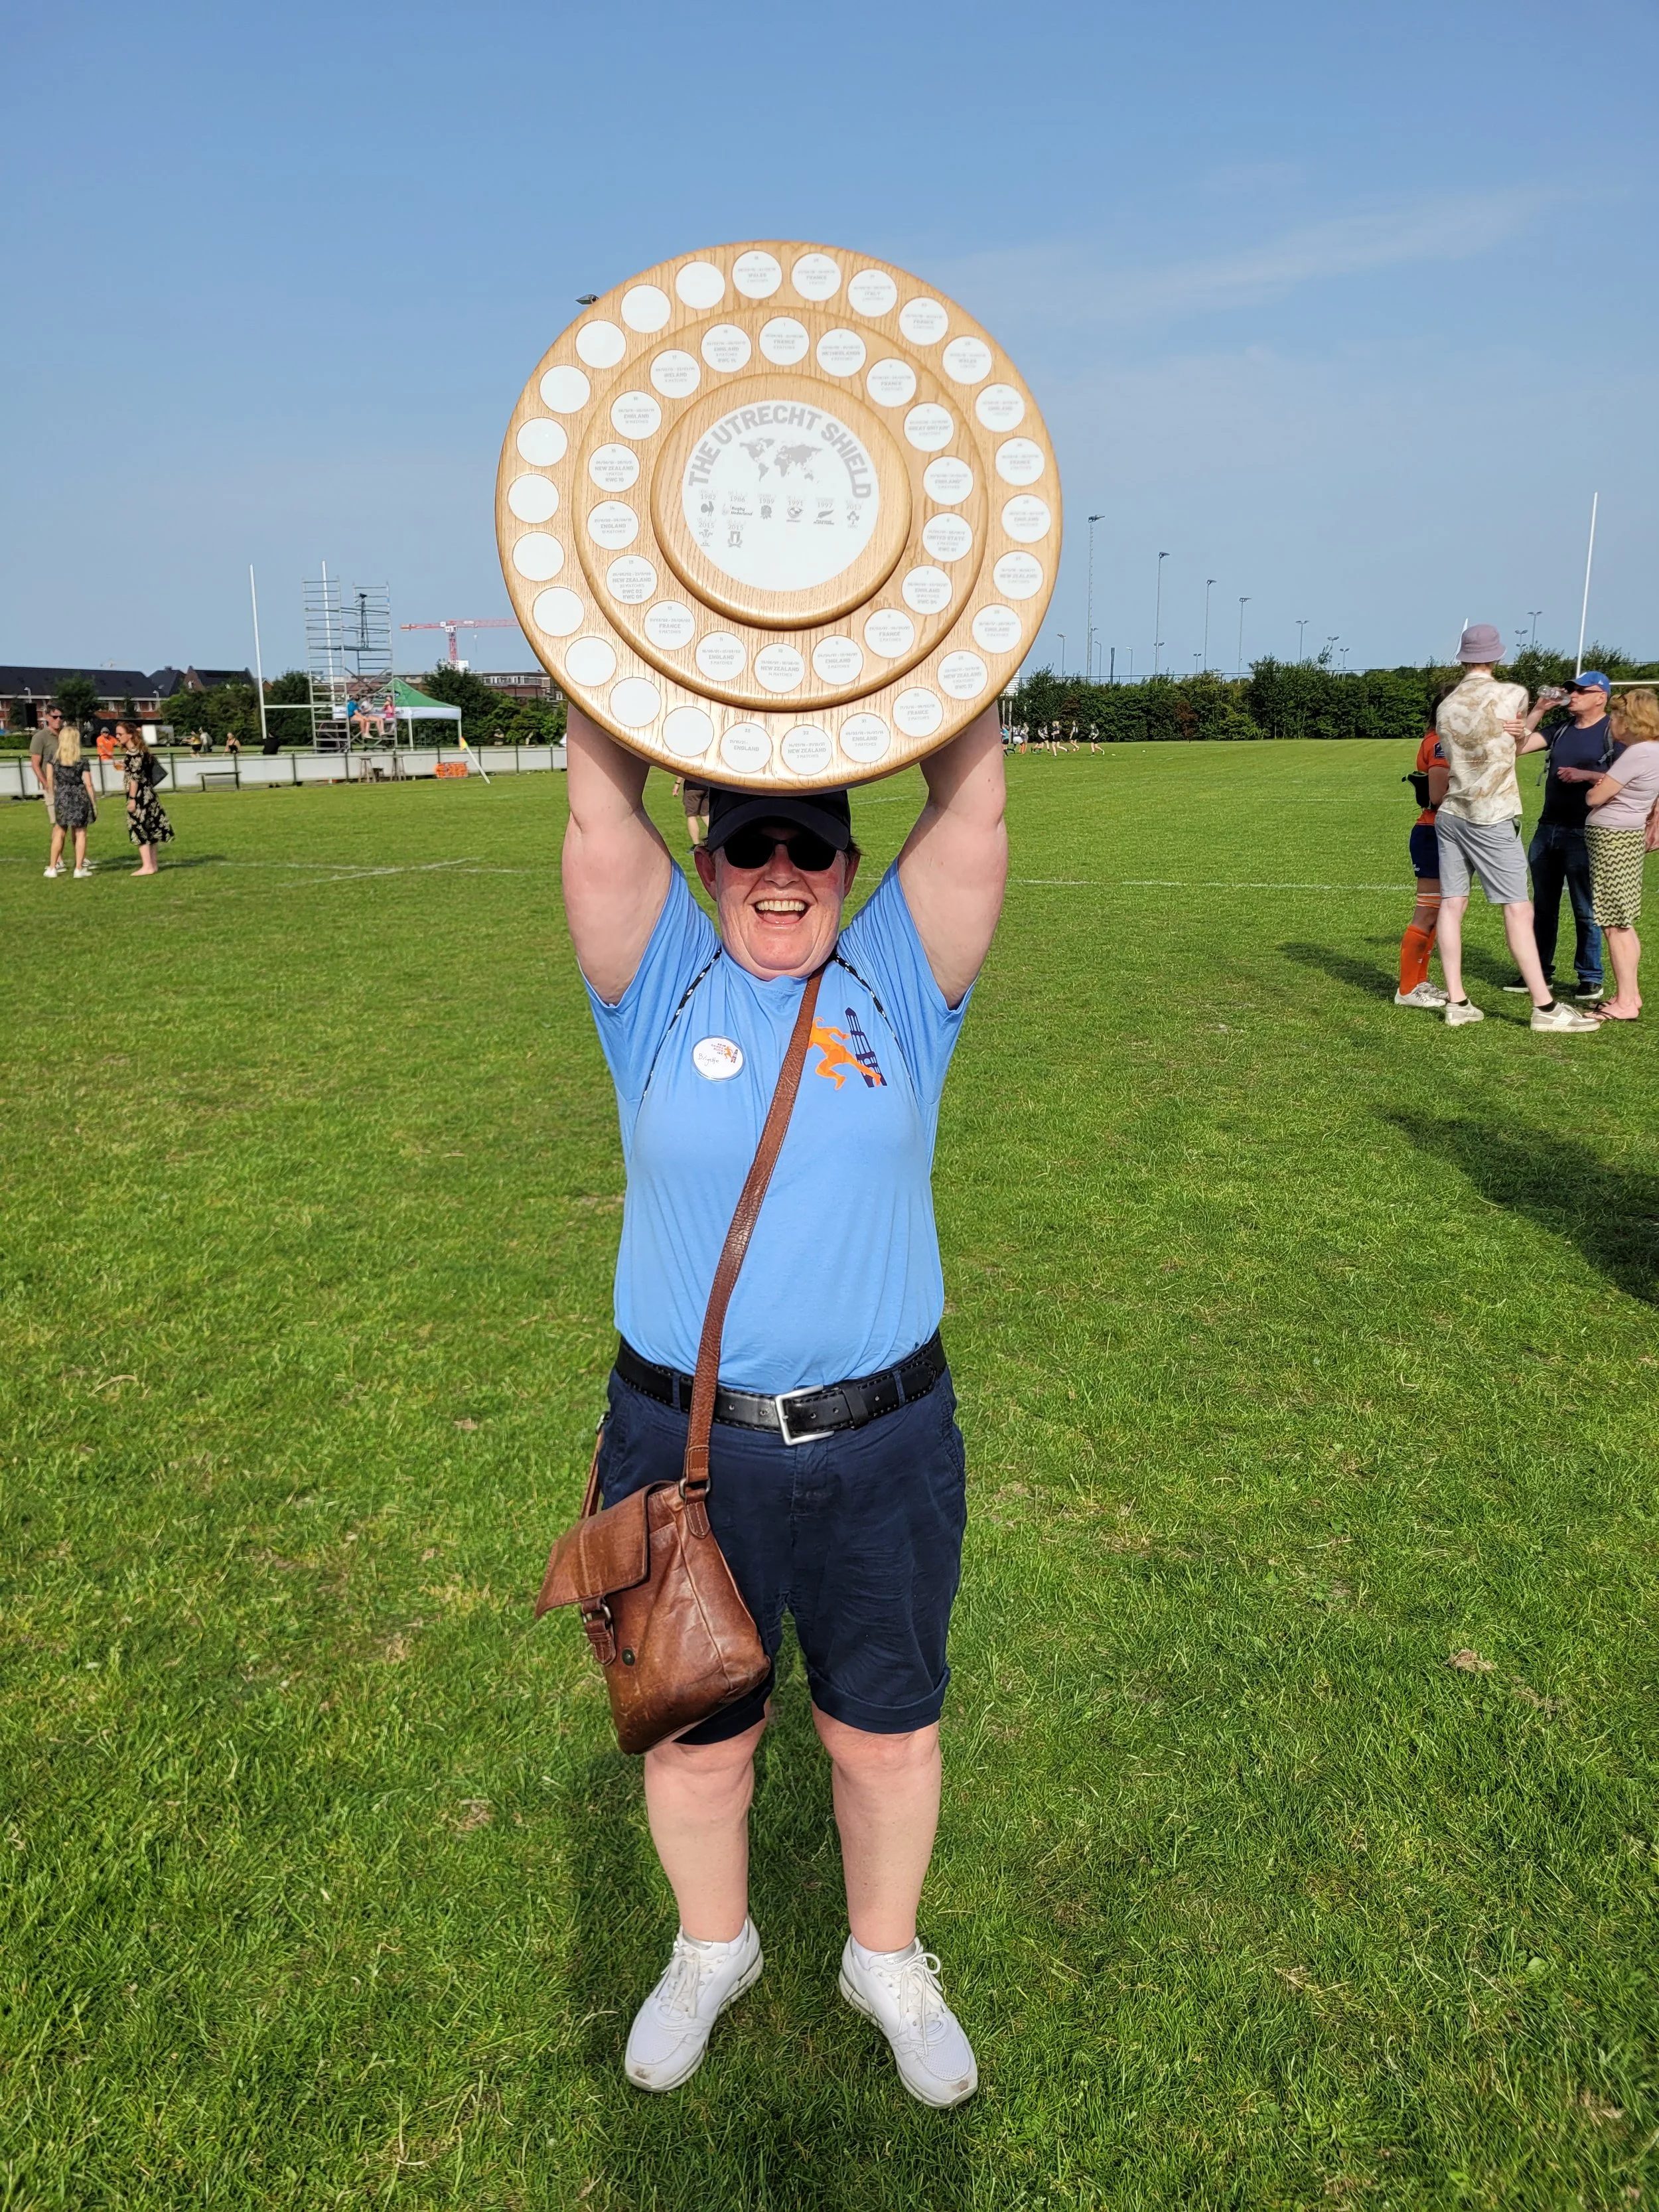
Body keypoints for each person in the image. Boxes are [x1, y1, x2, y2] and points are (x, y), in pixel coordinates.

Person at [563, 700, 1006, 2108]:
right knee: (699, 1734)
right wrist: (615, 649)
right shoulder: (659, 986)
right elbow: (594, 806)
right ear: (703, 859)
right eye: (748, 842)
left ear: (845, 864)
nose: (778, 870)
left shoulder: (893, 980)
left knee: (884, 1729)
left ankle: (883, 1956)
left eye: (808, 850)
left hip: (884, 1442)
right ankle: (713, 1946)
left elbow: (975, 806)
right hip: (687, 1451)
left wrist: (953, 654)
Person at [1431, 625, 1599, 1033]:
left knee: (1452, 905)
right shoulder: (1513, 695)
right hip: (1490, 814)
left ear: (1463, 657)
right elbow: (1512, 746)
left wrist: (1526, 725)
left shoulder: (1447, 704)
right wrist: (1532, 715)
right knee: (1519, 909)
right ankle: (1545, 1008)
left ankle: (1457, 1001)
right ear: (1497, 656)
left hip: (1452, 812)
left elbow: (1504, 744)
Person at [1497, 672, 1620, 1001]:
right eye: (1571, 689)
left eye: (1581, 690)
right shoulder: (1561, 729)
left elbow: (1631, 776)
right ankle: (1538, 973)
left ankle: (1590, 977)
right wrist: (1538, 709)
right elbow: (1517, 748)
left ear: (1601, 697)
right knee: (1543, 907)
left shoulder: (1615, 732)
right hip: (1548, 828)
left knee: (1586, 908)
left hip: (1587, 830)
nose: (1573, 694)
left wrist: (1588, 775)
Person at [1567, 687, 1659, 1022]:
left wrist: (1595, 786)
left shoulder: (1637, 753)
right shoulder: (1654, 751)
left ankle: (1624, 1001)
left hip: (1613, 837)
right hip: (1629, 834)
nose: (1612, 724)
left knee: (1614, 923)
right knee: (1624, 921)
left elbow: (1595, 798)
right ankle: (1630, 996)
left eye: (1617, 717)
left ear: (1631, 721)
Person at [1394, 715, 1449, 1007]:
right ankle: (1406, 989)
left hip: (1441, 833)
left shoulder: (1443, 740)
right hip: (1433, 833)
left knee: (1438, 912)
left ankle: (1419, 981)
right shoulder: (1440, 743)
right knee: (1427, 911)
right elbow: (1438, 794)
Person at [119, 721, 173, 875]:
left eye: (120, 734)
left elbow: (135, 779)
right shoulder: (142, 752)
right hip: (149, 796)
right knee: (151, 828)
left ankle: (147, 866)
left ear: (129, 735)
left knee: (139, 829)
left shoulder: (133, 754)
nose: (117, 737)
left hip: (140, 797)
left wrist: (132, 799)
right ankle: (153, 865)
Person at [44, 725, 98, 878]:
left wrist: (55, 796)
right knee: (80, 832)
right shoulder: (82, 760)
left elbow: (49, 780)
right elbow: (88, 783)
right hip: (79, 795)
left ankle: (53, 867)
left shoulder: (53, 759)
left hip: (62, 795)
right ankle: (79, 868)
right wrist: (94, 802)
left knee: (59, 831)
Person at [30, 705, 66, 863]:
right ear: (47, 718)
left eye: (60, 717)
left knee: (74, 822)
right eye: (55, 717)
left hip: (69, 785)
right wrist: (46, 784)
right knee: (58, 823)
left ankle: (81, 857)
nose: (58, 720)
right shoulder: (40, 737)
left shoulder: (66, 735)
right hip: (53, 785)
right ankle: (57, 859)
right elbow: (35, 764)